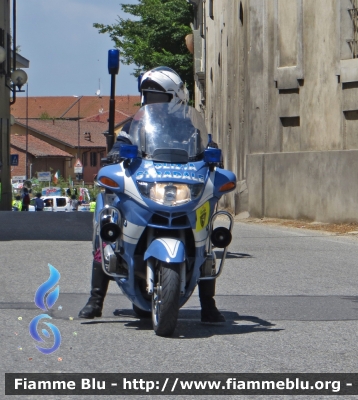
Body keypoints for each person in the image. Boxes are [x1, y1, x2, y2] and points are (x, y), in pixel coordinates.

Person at [79, 66, 225, 324]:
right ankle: (95, 299)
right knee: (108, 223)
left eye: (157, 96)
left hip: (182, 190)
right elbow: (123, 143)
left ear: (176, 96)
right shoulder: (136, 123)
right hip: (148, 187)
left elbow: (206, 146)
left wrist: (213, 154)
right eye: (148, 96)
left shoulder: (190, 127)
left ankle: (208, 305)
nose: (150, 101)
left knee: (206, 240)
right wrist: (116, 153)